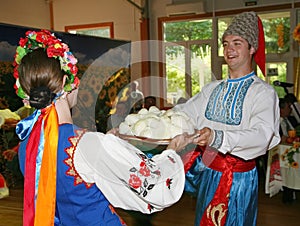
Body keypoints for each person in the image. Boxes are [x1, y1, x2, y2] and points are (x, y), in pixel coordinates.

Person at [14, 30, 185, 225]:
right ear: (64, 82)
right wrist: (172, 151)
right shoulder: (88, 145)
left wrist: (108, 142)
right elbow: (154, 186)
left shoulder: (27, 142)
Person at [167, 11, 280, 226]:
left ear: (252, 48)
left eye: (237, 43)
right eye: (226, 43)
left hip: (239, 179)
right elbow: (186, 113)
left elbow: (262, 135)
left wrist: (216, 137)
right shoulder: (212, 89)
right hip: (208, 171)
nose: (229, 49)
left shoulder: (263, 93)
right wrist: (159, 120)